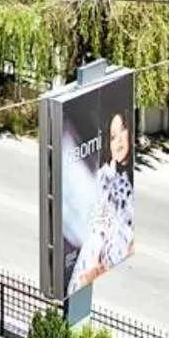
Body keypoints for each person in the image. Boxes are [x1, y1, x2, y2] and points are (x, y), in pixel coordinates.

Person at [69, 107, 136, 289]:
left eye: (123, 129)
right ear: (108, 143)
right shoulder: (105, 179)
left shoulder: (128, 177)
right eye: (113, 136)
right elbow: (99, 231)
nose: (120, 140)